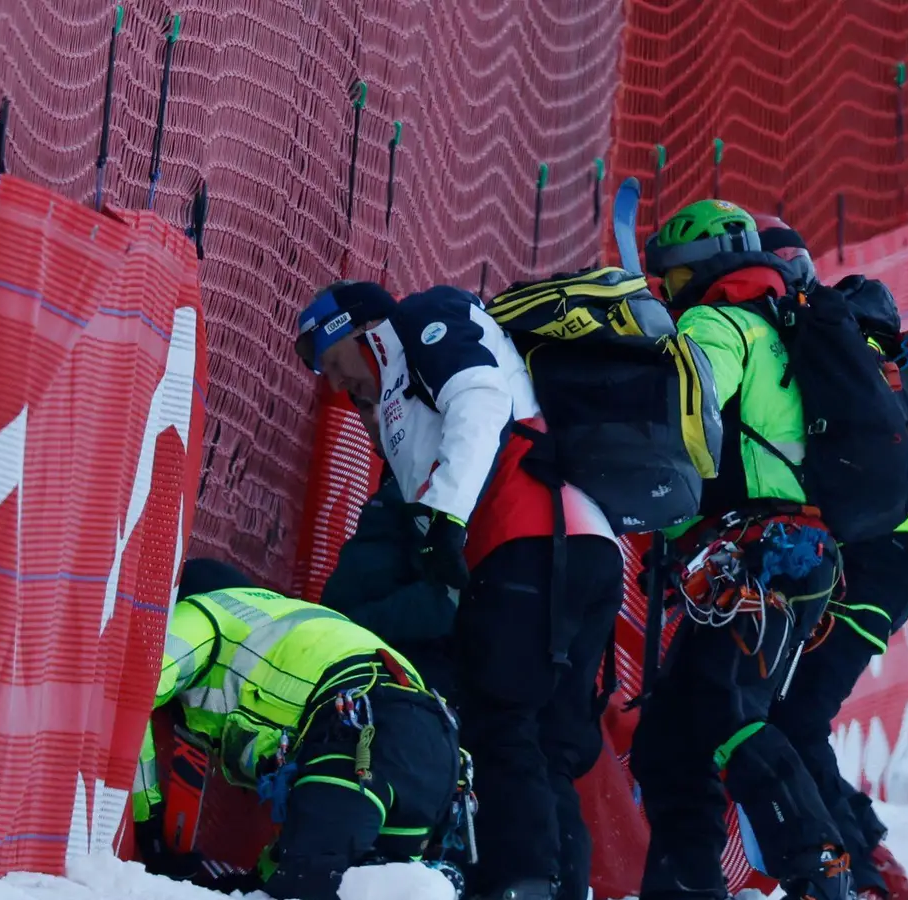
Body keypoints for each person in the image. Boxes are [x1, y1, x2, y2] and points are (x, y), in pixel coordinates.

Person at [296, 279, 625, 900]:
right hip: (583, 546)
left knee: (500, 722)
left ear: (357, 331)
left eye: (330, 361)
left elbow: (478, 398)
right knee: (546, 741)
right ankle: (558, 886)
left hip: (526, 541)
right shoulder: (397, 398)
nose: (335, 384)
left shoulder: (423, 318)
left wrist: (443, 517)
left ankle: (520, 884)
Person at [629, 199, 854, 900]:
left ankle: (822, 872)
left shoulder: (717, 321)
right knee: (671, 738)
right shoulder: (780, 319)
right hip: (796, 550)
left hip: (761, 551)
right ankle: (686, 886)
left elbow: (689, 415)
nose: (667, 289)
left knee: (729, 712)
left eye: (670, 274)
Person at [750, 217, 908, 900]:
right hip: (875, 558)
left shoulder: (819, 337)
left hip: (874, 563)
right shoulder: (846, 332)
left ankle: (859, 868)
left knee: (793, 715)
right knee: (788, 713)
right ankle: (866, 860)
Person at [132, 557, 461, 900]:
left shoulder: (202, 614)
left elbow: (132, 696)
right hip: (434, 746)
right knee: (379, 886)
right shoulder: (289, 620)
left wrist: (148, 821)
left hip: (364, 738)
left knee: (305, 885)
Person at [321, 393, 460, 701]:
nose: (369, 419)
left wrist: (347, 630)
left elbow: (443, 601)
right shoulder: (402, 475)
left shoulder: (442, 485)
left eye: (373, 404)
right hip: (356, 664)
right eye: (360, 405)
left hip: (395, 678)